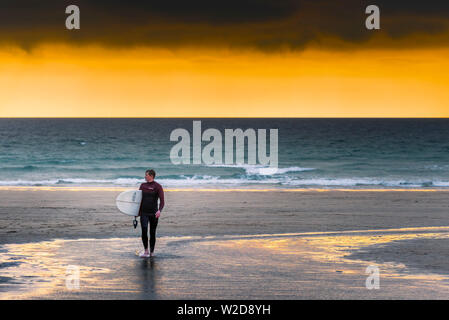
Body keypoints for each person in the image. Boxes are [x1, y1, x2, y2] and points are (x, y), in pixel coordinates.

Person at [138, 169, 164, 258]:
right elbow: (138, 200)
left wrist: (159, 210)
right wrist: (136, 212)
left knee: (152, 233)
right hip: (144, 213)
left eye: (146, 175)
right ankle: (146, 251)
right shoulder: (142, 185)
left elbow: (162, 201)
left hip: (154, 213)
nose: (145, 176)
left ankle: (152, 252)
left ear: (151, 176)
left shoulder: (158, 186)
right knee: (144, 231)